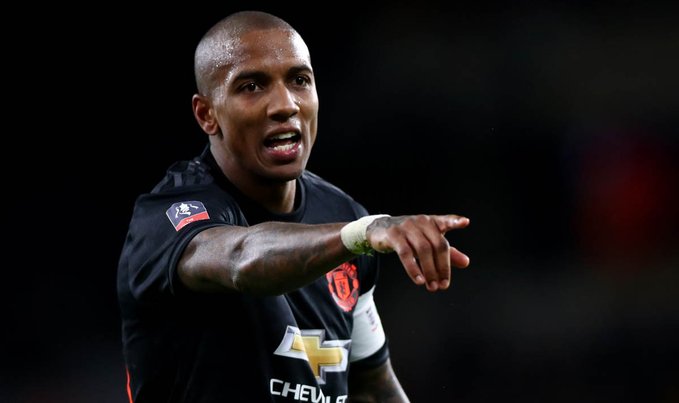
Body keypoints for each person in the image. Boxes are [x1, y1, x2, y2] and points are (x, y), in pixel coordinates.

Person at [117, 10, 471, 403]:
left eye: (300, 80)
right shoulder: (168, 216)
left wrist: (359, 230)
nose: (285, 105)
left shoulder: (343, 213)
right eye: (252, 86)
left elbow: (371, 388)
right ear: (207, 114)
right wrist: (360, 234)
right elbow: (242, 259)